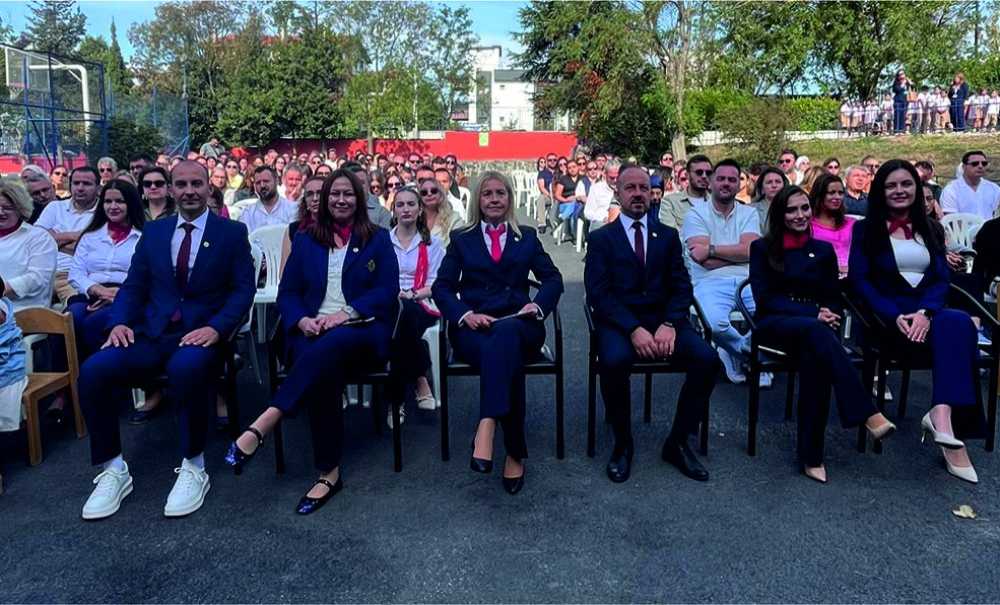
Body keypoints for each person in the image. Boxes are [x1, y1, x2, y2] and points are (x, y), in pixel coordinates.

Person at [75, 161, 254, 521]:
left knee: (186, 370)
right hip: (152, 333)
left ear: (208, 188)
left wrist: (217, 329)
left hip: (200, 335)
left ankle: (194, 464)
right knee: (94, 370)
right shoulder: (155, 234)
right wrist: (119, 322)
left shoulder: (231, 232)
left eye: (196, 184)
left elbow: (242, 290)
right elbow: (134, 286)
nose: (189, 191)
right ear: (171, 189)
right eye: (181, 184)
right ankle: (113, 469)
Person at [225, 169, 398, 515]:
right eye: (334, 194)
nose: (340, 200)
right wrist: (302, 319)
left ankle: (267, 420)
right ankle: (328, 473)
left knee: (328, 350)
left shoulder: (377, 238)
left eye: (348, 194)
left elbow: (387, 291)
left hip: (360, 331)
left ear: (359, 199)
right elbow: (287, 294)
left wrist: (346, 314)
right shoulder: (306, 240)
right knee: (323, 368)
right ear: (322, 200)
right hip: (311, 332)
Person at [849, 159, 985, 484]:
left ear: (916, 188)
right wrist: (895, 315)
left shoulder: (931, 228)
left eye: (906, 184)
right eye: (891, 185)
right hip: (886, 319)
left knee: (959, 322)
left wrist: (925, 313)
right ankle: (946, 427)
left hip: (925, 315)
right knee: (957, 329)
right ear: (880, 191)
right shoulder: (864, 229)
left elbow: (940, 281)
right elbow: (860, 282)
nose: (899, 191)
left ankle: (942, 415)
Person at [750, 186, 895, 483]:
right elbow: (765, 298)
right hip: (776, 324)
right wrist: (813, 314)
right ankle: (866, 412)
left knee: (816, 355)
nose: (800, 215)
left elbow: (832, 296)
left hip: (815, 330)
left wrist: (829, 313)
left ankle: (811, 456)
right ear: (780, 214)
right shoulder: (762, 248)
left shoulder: (824, 250)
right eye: (791, 210)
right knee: (817, 335)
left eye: (804, 208)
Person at [585, 166, 719, 484]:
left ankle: (677, 441)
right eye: (630, 188)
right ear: (617, 192)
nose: (638, 194)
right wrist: (633, 328)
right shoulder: (602, 239)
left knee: (708, 360)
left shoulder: (668, 236)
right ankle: (623, 443)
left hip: (665, 322)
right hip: (620, 323)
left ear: (652, 193)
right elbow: (598, 293)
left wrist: (671, 323)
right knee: (614, 360)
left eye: (644, 188)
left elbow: (682, 286)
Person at [432, 171, 564, 495]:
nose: (494, 199)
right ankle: (515, 452)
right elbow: (442, 288)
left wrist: (538, 306)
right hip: (475, 328)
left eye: (500, 193)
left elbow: (553, 280)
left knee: (508, 339)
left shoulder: (528, 237)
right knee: (505, 352)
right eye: (487, 193)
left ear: (510, 198)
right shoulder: (462, 239)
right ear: (478, 199)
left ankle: (487, 424)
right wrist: (464, 314)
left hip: (520, 323)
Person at [681, 159, 767, 386]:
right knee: (713, 322)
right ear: (710, 182)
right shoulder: (695, 214)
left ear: (740, 184)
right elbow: (703, 263)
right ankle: (753, 357)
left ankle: (736, 352)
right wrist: (739, 256)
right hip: (710, 282)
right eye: (721, 178)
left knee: (771, 315)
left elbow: (751, 251)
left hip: (747, 280)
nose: (726, 184)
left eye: (732, 179)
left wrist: (711, 249)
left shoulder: (749, 213)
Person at [67, 178, 145, 363]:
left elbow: (145, 276)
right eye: (108, 201)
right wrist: (98, 290)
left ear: (131, 204)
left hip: (126, 295)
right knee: (71, 318)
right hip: (91, 294)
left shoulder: (143, 237)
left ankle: (98, 376)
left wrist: (119, 294)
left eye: (119, 201)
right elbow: (75, 274)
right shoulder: (90, 236)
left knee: (94, 323)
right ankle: (70, 381)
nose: (113, 206)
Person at [386, 186, 445, 424]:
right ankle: (420, 376)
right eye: (400, 205)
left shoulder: (433, 243)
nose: (406, 209)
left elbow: (438, 282)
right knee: (400, 317)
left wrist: (414, 294)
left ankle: (395, 400)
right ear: (394, 210)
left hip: (422, 301)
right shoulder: (383, 242)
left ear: (420, 209)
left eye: (411, 204)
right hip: (389, 302)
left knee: (407, 314)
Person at [35, 166, 100, 303]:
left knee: (76, 306)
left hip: (75, 274)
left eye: (87, 184)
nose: (80, 188)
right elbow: (37, 240)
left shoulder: (104, 212)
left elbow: (95, 250)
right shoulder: (55, 207)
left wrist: (55, 238)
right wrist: (76, 236)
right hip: (42, 272)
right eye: (76, 183)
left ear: (98, 188)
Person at [0, 177, 57, 311]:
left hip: (25, 312)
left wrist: (3, 289)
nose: (0, 212)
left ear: (20, 208)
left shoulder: (39, 237)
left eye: (7, 208)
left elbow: (37, 279)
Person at [809, 173, 855, 276]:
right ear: (820, 194)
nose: (837, 197)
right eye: (831, 193)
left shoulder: (852, 224)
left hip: (853, 275)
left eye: (840, 193)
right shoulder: (808, 226)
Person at [281, 175, 324, 272]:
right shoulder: (294, 230)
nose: (315, 198)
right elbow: (284, 272)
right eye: (310, 194)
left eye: (320, 193)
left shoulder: (338, 228)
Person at [939, 151, 1000, 219]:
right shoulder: (951, 190)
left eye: (984, 163)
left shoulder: (994, 189)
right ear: (964, 167)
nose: (980, 166)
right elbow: (952, 220)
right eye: (975, 163)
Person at [658, 154, 712, 230]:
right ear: (687, 175)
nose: (704, 176)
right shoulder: (669, 202)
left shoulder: (720, 203)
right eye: (699, 172)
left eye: (708, 173)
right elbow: (671, 235)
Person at [238, 166, 298, 233]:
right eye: (258, 183)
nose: (262, 185)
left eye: (266, 181)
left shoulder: (293, 209)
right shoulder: (248, 213)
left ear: (276, 181)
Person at [342, 162, 392, 229]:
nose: (358, 185)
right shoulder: (337, 212)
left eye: (362, 182)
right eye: (354, 182)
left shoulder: (382, 214)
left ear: (368, 185)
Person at [417, 178, 463, 246]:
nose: (429, 194)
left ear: (441, 194)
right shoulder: (415, 219)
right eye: (424, 192)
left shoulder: (454, 219)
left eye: (434, 191)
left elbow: (459, 246)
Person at [582, 161, 619, 229]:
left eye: (617, 177)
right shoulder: (596, 188)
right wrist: (603, 218)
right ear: (605, 174)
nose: (615, 181)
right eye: (612, 178)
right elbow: (587, 213)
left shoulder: (625, 189)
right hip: (600, 224)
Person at [750, 167, 788, 232]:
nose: (774, 185)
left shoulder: (792, 207)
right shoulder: (751, 210)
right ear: (762, 188)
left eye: (778, 182)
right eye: (769, 182)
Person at [535, 153, 557, 233]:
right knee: (541, 198)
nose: (552, 162)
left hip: (559, 195)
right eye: (550, 160)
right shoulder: (543, 173)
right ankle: (542, 224)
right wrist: (550, 195)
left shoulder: (559, 171)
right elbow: (541, 187)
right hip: (548, 195)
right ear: (547, 162)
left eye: (554, 160)